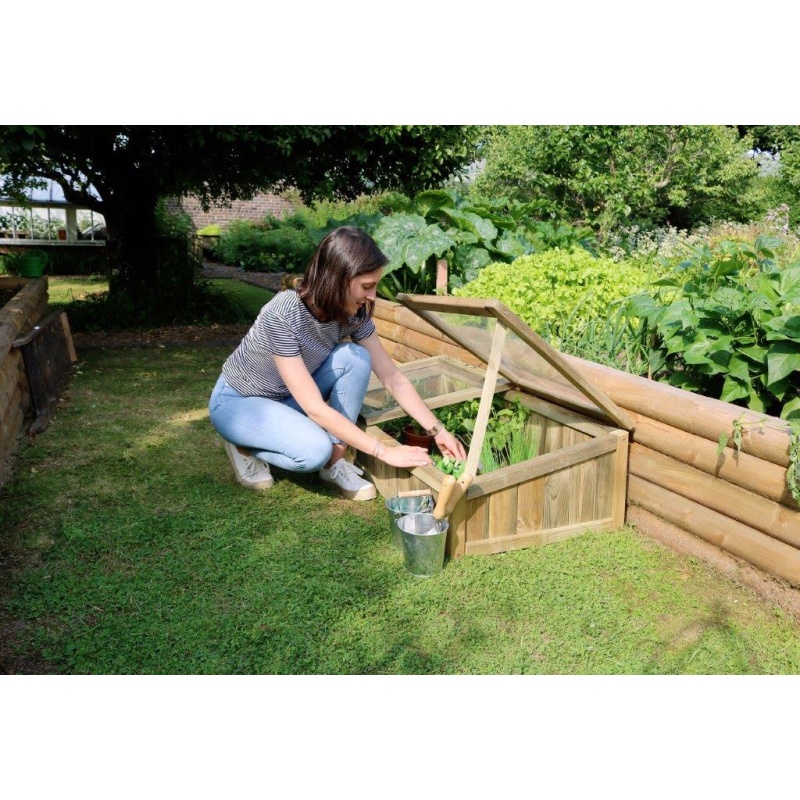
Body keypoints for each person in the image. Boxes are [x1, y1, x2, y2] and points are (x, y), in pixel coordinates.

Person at [208, 226, 466, 501]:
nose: (373, 296)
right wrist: (384, 451)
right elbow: (315, 409)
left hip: (287, 397)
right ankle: (243, 444)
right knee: (313, 453)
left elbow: (392, 376)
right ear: (336, 279)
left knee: (356, 357)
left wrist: (438, 430)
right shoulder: (282, 315)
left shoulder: (352, 312)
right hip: (241, 402)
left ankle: (334, 462)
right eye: (367, 286)